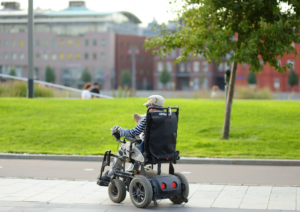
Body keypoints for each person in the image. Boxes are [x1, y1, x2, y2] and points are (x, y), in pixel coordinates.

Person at [101, 95, 165, 181]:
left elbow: (133, 132)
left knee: (123, 148)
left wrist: (119, 130)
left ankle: (111, 174)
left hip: (147, 151)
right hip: (163, 150)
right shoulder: (168, 117)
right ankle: (131, 171)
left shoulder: (148, 117)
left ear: (152, 106)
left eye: (147, 106)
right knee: (136, 147)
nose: (147, 108)